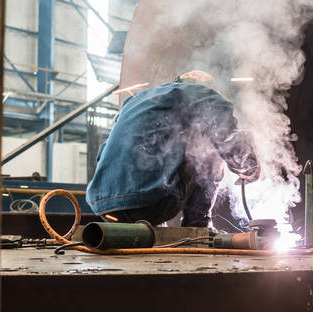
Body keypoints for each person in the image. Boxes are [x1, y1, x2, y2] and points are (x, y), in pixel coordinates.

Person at [86, 71, 260, 227]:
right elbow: (227, 137)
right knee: (207, 149)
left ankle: (155, 227)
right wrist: (248, 167)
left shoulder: (135, 100)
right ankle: (198, 226)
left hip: (103, 206)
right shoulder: (202, 93)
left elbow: (105, 151)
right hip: (152, 204)